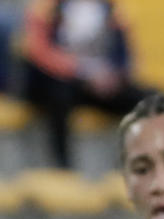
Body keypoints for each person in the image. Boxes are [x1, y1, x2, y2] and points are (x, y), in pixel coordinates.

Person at [21, 0, 153, 168]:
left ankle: (130, 166)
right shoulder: (47, 7)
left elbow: (125, 56)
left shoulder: (112, 9)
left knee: (151, 99)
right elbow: (37, 51)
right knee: (59, 96)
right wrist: (81, 72)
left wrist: (113, 76)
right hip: (60, 80)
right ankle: (61, 167)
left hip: (101, 82)